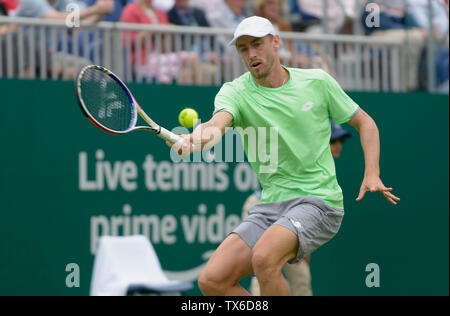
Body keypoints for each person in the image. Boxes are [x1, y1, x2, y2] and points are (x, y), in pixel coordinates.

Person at [167, 16, 400, 296]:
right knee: (212, 280)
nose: (251, 54)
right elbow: (217, 125)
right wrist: (194, 139)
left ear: (275, 42)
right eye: (243, 48)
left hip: (319, 202)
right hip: (271, 207)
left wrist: (372, 172)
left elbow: (366, 122)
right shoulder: (235, 92)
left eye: (257, 44)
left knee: (264, 259)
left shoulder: (317, 82)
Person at [241, 119, 352, 296]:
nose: (338, 145)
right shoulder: (303, 153)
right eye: (333, 140)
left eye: (340, 141)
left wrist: (302, 246)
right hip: (265, 207)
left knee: (300, 277)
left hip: (295, 212)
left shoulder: (321, 167)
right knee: (263, 265)